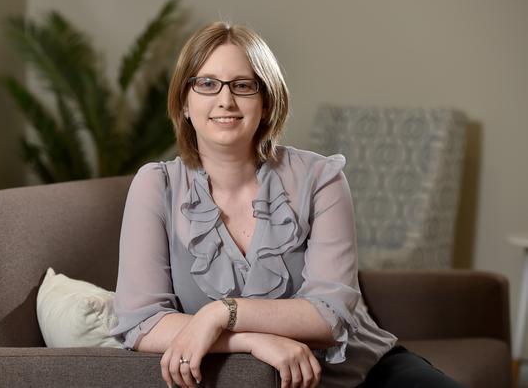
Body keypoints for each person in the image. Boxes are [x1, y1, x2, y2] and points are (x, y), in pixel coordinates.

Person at [111, 22, 463, 388]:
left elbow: (329, 317)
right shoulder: (156, 185)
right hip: (244, 379)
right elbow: (141, 322)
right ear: (184, 102)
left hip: (363, 372)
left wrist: (222, 312)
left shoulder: (321, 178)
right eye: (207, 83)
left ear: (266, 103)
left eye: (243, 86)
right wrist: (253, 341)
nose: (225, 100)